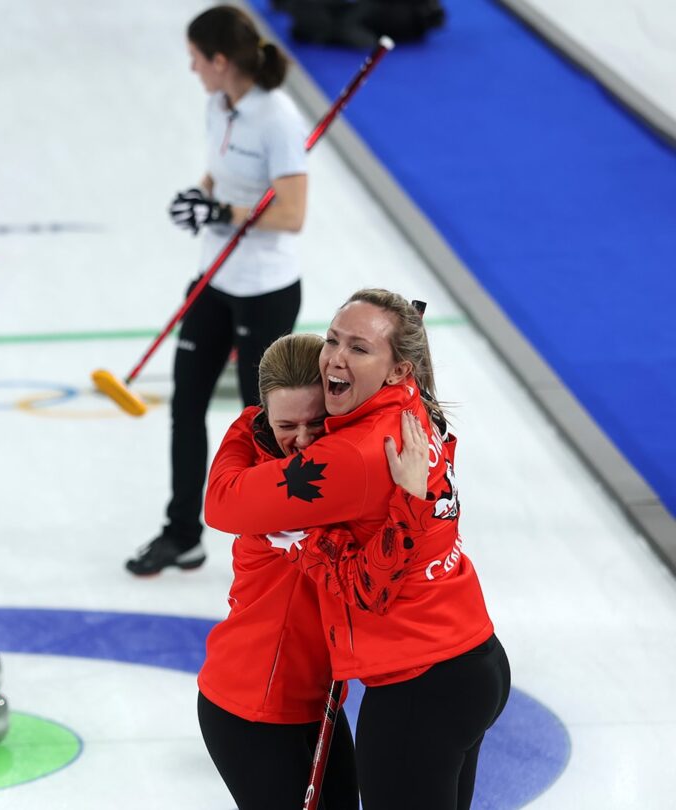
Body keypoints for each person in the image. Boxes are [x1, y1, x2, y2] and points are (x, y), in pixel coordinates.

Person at [206, 289, 511, 810]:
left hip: (420, 680)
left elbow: (222, 504)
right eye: (332, 340)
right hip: (470, 658)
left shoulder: (347, 457)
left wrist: (305, 538)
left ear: (397, 370)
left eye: (360, 348)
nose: (337, 358)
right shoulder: (413, 407)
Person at [128, 5, 309, 576]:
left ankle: (268, 533)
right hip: (213, 278)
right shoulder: (218, 105)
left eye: (196, 60)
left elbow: (292, 214)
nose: (192, 70)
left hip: (264, 287)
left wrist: (222, 211)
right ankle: (183, 531)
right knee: (187, 407)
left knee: (261, 418)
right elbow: (218, 175)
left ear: (221, 60)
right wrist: (199, 196)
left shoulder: (278, 118)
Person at [197, 334, 358, 810]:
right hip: (254, 707)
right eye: (287, 424)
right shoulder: (276, 493)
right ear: (264, 416)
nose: (305, 441)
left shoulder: (273, 451)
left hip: (315, 698)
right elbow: (219, 499)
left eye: (317, 422)